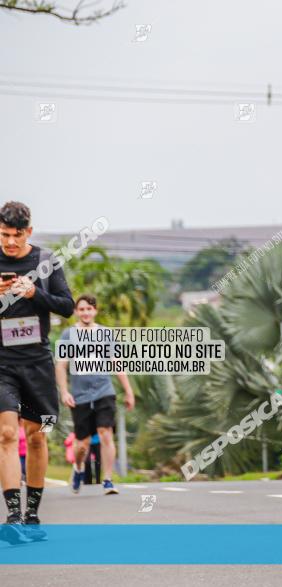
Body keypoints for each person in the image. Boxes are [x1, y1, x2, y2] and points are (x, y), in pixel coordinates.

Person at [0, 201, 75, 544]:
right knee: (5, 433)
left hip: (37, 361)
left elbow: (67, 307)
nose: (10, 242)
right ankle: (13, 515)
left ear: (29, 231)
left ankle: (32, 515)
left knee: (36, 436)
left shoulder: (46, 261)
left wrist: (34, 292)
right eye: (4, 235)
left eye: (17, 235)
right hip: (2, 361)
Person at [56, 294, 135, 495]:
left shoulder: (106, 334)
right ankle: (78, 468)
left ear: (95, 311)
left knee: (105, 433)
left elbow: (117, 363)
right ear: (76, 312)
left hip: (104, 391)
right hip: (79, 395)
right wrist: (64, 392)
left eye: (89, 309)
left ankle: (108, 480)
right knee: (82, 445)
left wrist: (128, 391)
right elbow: (61, 366)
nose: (85, 313)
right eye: (81, 309)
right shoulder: (67, 335)